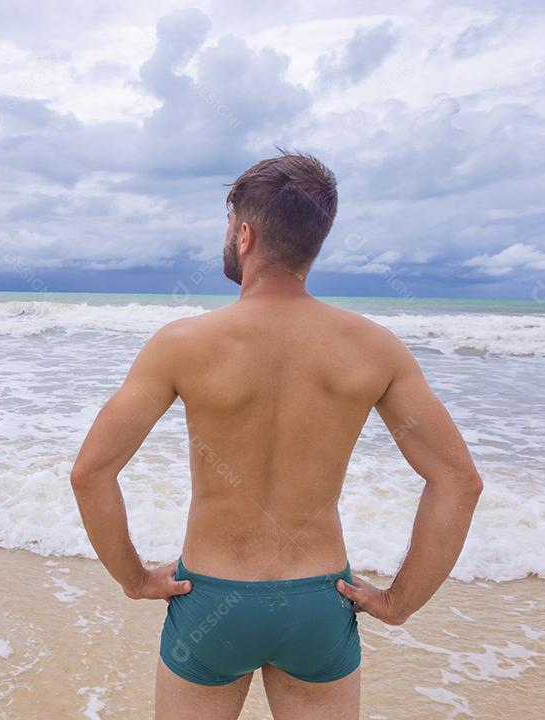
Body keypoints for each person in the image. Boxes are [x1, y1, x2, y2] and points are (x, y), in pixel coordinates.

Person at [70, 150, 483, 719]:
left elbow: (91, 472)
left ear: (244, 234)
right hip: (319, 603)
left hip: (210, 598)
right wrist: (399, 601)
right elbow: (458, 480)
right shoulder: (374, 348)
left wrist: (136, 579)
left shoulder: (182, 345)